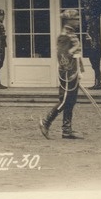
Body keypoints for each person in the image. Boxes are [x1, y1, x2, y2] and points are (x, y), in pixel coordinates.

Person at [39, 9, 85, 139]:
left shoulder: (71, 34)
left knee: (71, 101)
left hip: (73, 72)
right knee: (65, 100)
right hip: (68, 73)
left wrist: (79, 71)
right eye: (76, 19)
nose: (78, 21)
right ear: (68, 20)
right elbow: (63, 56)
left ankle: (66, 130)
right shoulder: (64, 36)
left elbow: (76, 55)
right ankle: (46, 122)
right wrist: (70, 72)